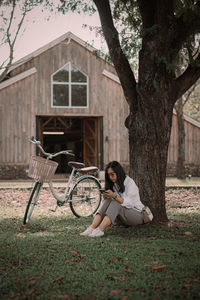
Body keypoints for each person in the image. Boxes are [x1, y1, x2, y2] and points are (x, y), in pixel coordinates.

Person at [80, 161, 145, 237]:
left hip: (137, 215)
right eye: (109, 175)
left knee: (116, 202)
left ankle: (100, 230)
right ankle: (92, 228)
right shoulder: (114, 184)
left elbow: (130, 203)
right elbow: (107, 205)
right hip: (122, 217)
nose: (110, 177)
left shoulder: (129, 182)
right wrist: (105, 197)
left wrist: (114, 196)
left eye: (112, 174)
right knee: (108, 200)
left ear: (118, 172)